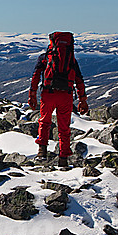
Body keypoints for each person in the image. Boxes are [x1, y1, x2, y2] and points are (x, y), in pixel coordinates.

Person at [29, 31, 89, 167]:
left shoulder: (45, 57)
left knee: (44, 121)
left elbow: (35, 76)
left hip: (48, 94)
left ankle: (41, 151)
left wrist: (32, 95)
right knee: (64, 128)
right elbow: (79, 80)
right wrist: (82, 100)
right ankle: (63, 159)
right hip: (65, 96)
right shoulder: (71, 60)